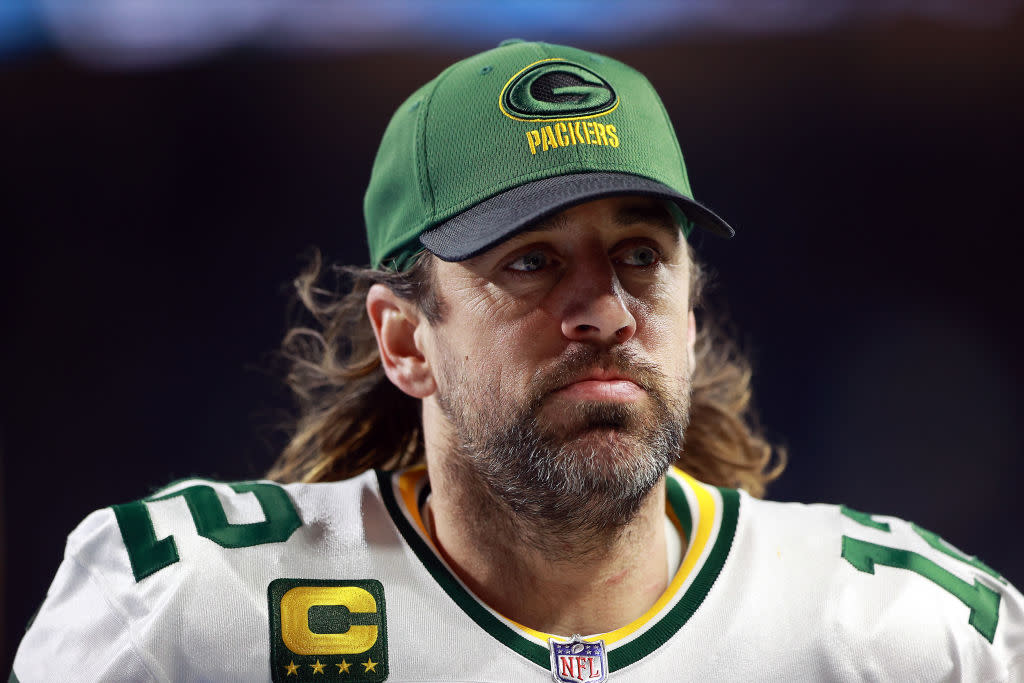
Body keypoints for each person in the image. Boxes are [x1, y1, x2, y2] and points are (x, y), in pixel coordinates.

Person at [11, 39, 1023, 683]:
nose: (602, 309)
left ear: (688, 313)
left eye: (640, 255)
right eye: (531, 261)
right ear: (407, 339)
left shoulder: (909, 631)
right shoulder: (185, 611)